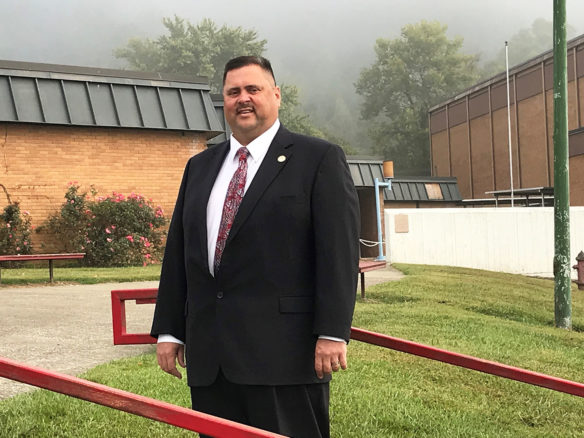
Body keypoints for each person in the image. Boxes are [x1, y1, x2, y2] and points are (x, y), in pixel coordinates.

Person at [151, 55, 359, 438]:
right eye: (233, 92)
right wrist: (169, 331)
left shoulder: (318, 159)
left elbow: (339, 254)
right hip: (212, 360)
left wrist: (333, 332)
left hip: (285, 356)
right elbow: (180, 253)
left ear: (276, 95)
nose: (242, 98)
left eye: (253, 89)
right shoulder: (200, 166)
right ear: (224, 102)